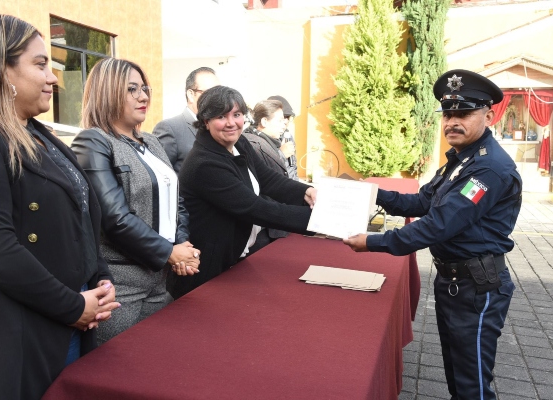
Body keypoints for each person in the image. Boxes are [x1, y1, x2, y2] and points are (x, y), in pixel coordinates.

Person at [0, 14, 120, 399]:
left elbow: (80, 217)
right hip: (16, 334)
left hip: (68, 320)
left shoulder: (39, 133)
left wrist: (100, 277)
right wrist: (72, 305)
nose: (53, 78)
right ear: (0, 69)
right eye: (41, 64)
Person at [344, 69, 522, 400]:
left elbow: (438, 224)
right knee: (457, 376)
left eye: (463, 114)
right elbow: (421, 202)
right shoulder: (461, 160)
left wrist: (372, 242)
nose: (452, 122)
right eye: (447, 114)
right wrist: (371, 193)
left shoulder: (488, 168)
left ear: (488, 116)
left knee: (472, 386)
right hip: (455, 283)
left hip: (476, 289)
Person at [72, 58, 200, 344]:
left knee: (159, 361)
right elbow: (114, 218)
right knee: (115, 367)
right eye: (131, 89)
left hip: (160, 280)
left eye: (144, 88)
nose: (143, 97)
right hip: (121, 287)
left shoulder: (152, 142)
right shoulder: (93, 141)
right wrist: (169, 252)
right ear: (107, 92)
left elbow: (176, 201)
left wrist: (182, 245)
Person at [171, 85, 317, 299]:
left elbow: (267, 179)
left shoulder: (238, 142)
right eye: (221, 116)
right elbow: (255, 208)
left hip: (235, 258)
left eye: (237, 115)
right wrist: (319, 220)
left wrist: (306, 191)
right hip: (207, 269)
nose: (231, 123)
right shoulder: (204, 163)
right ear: (205, 121)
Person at [243, 99, 291, 249]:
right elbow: (266, 181)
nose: (284, 124)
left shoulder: (269, 142)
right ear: (264, 121)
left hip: (274, 223)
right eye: (279, 120)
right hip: (263, 227)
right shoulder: (253, 144)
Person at [153, 67, 220, 172]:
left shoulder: (220, 127)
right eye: (209, 93)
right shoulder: (170, 128)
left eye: (218, 93)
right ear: (191, 95)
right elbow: (159, 174)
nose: (216, 99)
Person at [268, 95, 298, 180]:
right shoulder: (258, 139)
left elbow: (293, 168)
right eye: (283, 117)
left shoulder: (287, 136)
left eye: (288, 117)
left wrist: (297, 185)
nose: (286, 121)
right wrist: (281, 155)